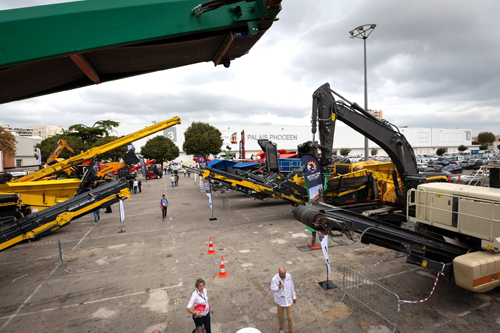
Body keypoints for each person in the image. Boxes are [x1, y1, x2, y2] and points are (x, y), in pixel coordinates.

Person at [270, 266, 296, 333]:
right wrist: (278, 288)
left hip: (288, 300)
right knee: (280, 317)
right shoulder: (274, 279)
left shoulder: (289, 276)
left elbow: (292, 286)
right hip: (280, 301)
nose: (284, 274)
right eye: (282, 273)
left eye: (284, 272)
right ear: (279, 273)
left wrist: (294, 296)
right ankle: (281, 329)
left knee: (290, 318)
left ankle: (290, 331)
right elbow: (272, 289)